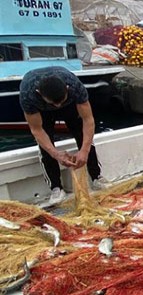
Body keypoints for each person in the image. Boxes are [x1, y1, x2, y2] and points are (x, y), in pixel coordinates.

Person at [19, 66, 107, 205]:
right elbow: (37, 130)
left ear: (67, 88)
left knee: (81, 134)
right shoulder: (28, 94)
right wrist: (56, 154)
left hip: (70, 105)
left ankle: (97, 177)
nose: (58, 105)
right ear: (38, 93)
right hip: (43, 111)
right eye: (54, 103)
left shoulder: (74, 86)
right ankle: (56, 188)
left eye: (60, 101)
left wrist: (84, 151)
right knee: (46, 145)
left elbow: (88, 120)